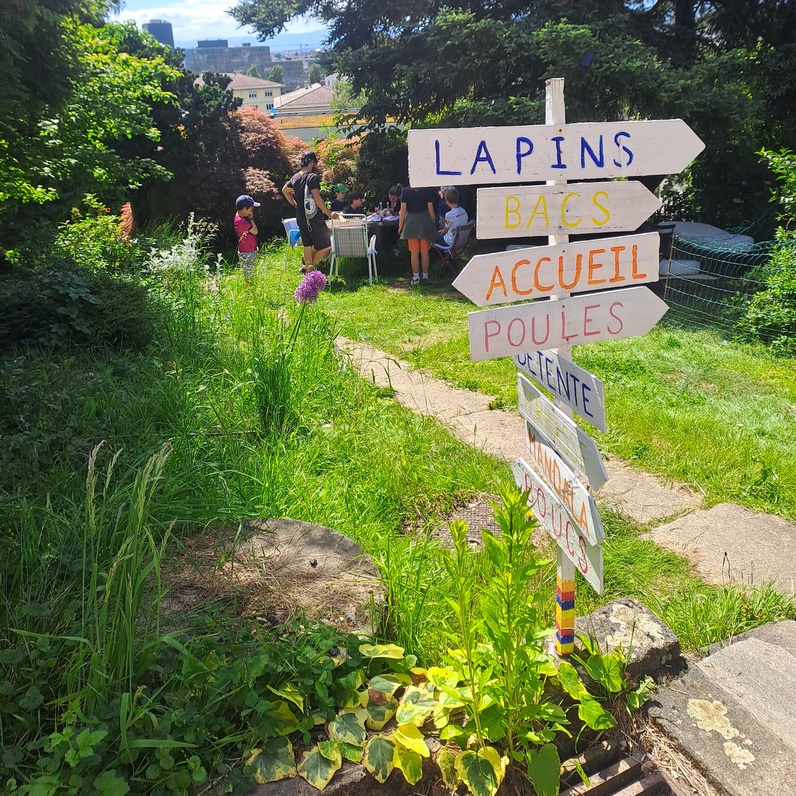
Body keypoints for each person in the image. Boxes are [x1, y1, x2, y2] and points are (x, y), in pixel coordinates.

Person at [282, 152, 336, 272]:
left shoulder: (295, 177)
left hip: (301, 217)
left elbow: (285, 190)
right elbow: (316, 198)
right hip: (313, 218)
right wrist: (329, 213)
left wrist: (294, 203)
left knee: (308, 246)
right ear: (311, 162)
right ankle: (308, 267)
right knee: (326, 245)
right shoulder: (312, 177)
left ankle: (308, 272)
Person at [398, 185, 437, 285]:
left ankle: (415, 277)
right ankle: (425, 276)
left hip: (411, 222)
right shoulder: (427, 190)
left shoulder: (405, 191)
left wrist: (400, 225)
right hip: (424, 222)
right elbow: (430, 209)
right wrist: (433, 224)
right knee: (424, 251)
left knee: (414, 252)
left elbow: (403, 211)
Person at [234, 194, 260, 284]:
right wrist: (251, 219)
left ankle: (250, 288)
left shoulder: (239, 217)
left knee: (250, 273)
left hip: (248, 251)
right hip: (247, 253)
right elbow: (255, 231)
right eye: (251, 208)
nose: (251, 210)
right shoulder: (241, 221)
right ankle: (249, 291)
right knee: (249, 276)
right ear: (245, 208)